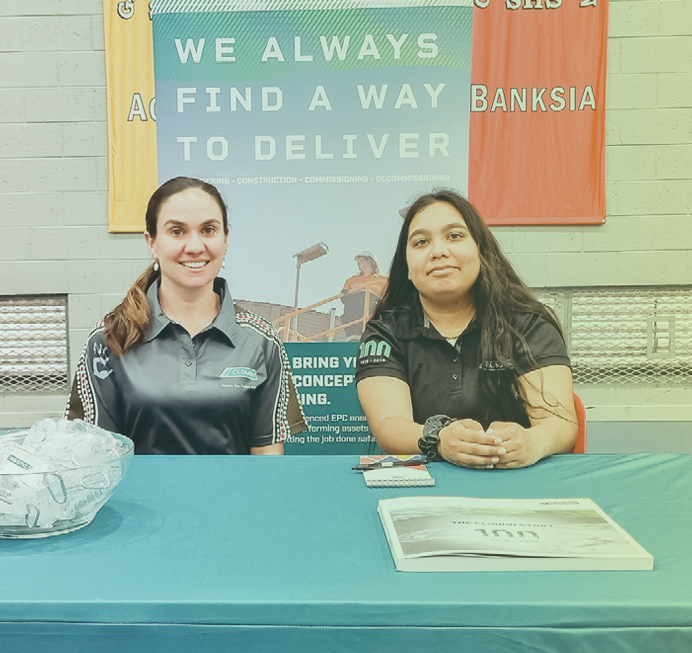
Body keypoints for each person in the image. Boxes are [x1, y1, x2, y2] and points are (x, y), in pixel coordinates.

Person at [65, 177, 307, 454]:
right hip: (136, 487)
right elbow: (97, 459)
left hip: (235, 486)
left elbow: (266, 457)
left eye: (208, 230)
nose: (194, 246)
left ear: (225, 239)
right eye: (177, 231)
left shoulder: (261, 340)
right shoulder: (109, 337)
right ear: (151, 242)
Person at [355, 190, 577, 469]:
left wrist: (533, 442)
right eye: (421, 242)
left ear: (482, 252)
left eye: (454, 236)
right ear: (407, 267)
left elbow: (559, 422)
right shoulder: (384, 332)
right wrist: (438, 439)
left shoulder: (529, 323)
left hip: (515, 477)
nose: (438, 251)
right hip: (425, 483)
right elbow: (390, 425)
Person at [340, 251, 388, 341]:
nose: (358, 263)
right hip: (353, 314)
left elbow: (388, 299)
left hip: (375, 316)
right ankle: (354, 335)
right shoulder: (351, 280)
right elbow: (343, 297)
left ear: (370, 261)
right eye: (357, 261)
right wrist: (368, 289)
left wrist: (358, 288)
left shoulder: (383, 280)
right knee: (358, 299)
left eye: (361, 260)